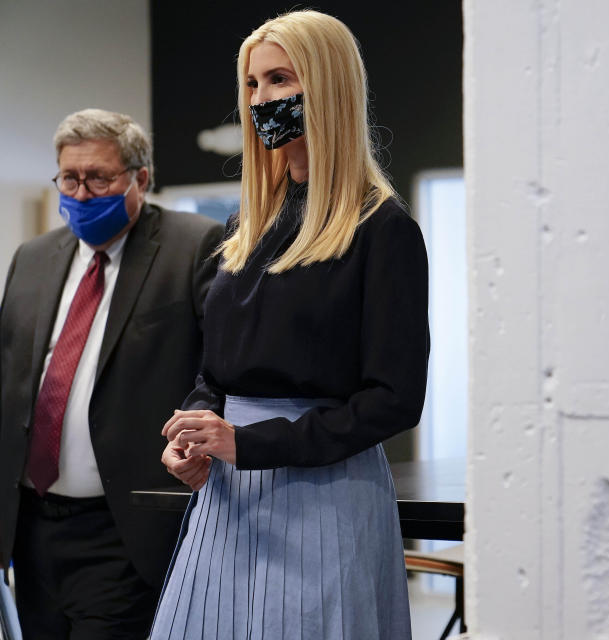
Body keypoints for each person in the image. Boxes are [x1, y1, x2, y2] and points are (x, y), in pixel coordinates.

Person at [150, 10, 429, 640]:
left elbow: (393, 399)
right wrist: (195, 432)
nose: (260, 101)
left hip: (324, 495)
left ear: (327, 87)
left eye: (278, 80)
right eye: (251, 86)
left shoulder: (382, 230)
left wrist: (251, 443)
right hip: (226, 497)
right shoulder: (242, 230)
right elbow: (213, 370)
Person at [0, 108, 223, 638]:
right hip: (30, 530)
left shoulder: (193, 246)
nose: (79, 194)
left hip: (123, 530)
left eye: (98, 178)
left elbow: (219, 368)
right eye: (69, 178)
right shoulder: (32, 258)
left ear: (140, 179)